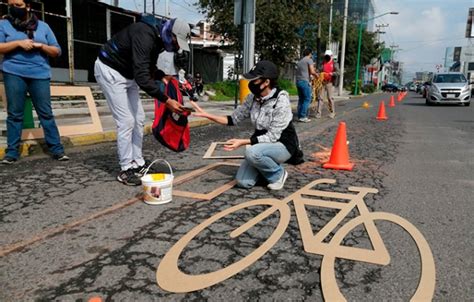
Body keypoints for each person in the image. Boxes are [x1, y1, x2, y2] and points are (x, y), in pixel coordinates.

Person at [94, 16, 190, 185]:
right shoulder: (144, 35)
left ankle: (137, 163)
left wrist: (162, 76)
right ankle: (125, 168)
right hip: (110, 70)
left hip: (128, 74)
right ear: (170, 33)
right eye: (176, 41)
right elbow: (143, 78)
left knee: (138, 119)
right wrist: (167, 101)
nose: (175, 46)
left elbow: (148, 66)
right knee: (126, 121)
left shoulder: (157, 40)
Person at [191, 60, 302, 191]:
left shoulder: (280, 100)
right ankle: (265, 167)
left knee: (251, 152)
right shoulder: (252, 98)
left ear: (266, 82)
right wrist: (207, 115)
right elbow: (233, 119)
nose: (250, 83)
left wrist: (243, 142)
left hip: (282, 144)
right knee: (243, 182)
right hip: (261, 144)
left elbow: (273, 136)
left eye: (254, 80)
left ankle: (278, 174)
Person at [0, 0, 69, 164]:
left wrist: (40, 46)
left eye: (18, 4)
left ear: (28, 6)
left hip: (40, 73)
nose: (14, 8)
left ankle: (57, 150)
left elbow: (56, 50)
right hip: (14, 72)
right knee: (15, 114)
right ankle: (11, 152)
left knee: (46, 113)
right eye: (11, 4)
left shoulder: (43, 27)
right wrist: (18, 43)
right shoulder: (3, 24)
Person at [296, 48, 318, 123]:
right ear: (309, 54)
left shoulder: (300, 61)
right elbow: (312, 71)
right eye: (311, 54)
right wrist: (316, 75)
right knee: (307, 99)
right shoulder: (309, 60)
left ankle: (299, 116)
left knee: (301, 99)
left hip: (298, 82)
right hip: (305, 82)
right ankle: (303, 116)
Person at [317, 49, 339, 119]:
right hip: (322, 82)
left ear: (331, 56)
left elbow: (338, 72)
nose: (327, 57)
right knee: (320, 98)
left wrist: (332, 73)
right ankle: (318, 113)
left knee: (330, 98)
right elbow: (318, 70)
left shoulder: (334, 64)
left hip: (330, 83)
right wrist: (318, 74)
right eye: (326, 56)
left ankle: (332, 112)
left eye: (328, 56)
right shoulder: (323, 63)